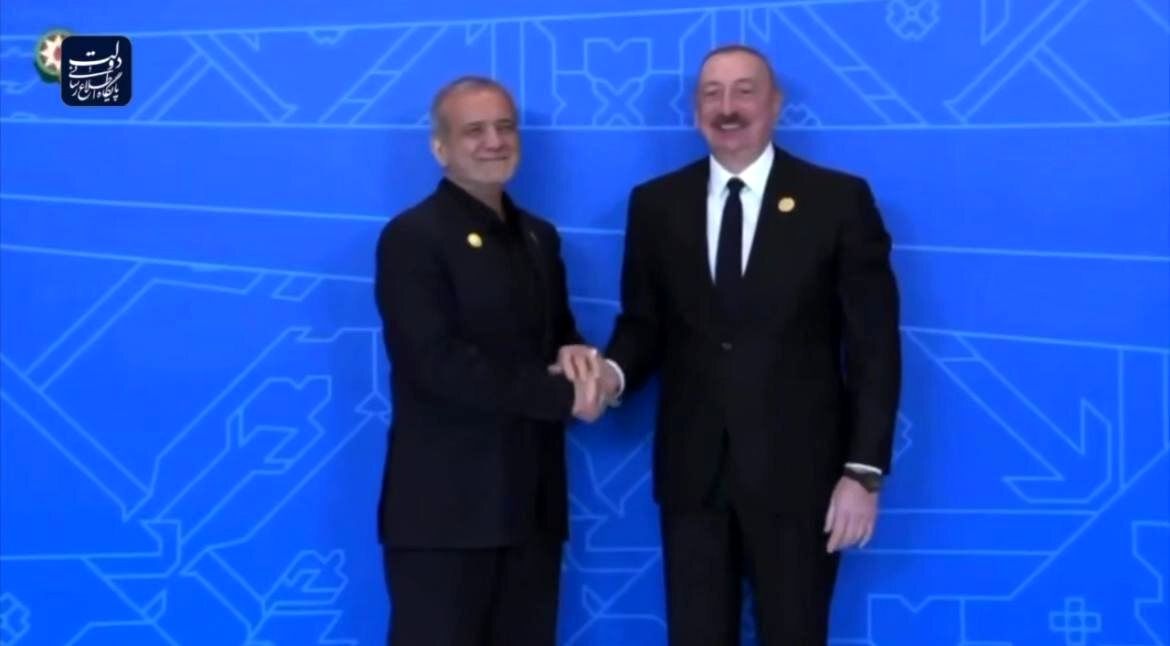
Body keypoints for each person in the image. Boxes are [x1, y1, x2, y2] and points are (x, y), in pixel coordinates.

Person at [560, 44, 902, 644]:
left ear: (775, 104)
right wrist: (610, 375)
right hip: (693, 478)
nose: (727, 107)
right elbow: (644, 325)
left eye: (745, 91)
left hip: (802, 480)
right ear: (696, 110)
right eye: (711, 93)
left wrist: (863, 473)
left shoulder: (838, 202)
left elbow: (874, 347)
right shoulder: (656, 205)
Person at [372, 75, 606, 646]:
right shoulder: (412, 238)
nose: (494, 141)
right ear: (440, 148)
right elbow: (437, 365)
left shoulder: (539, 238)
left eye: (505, 127)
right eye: (474, 130)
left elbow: (560, 337)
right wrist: (565, 395)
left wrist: (582, 363)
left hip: (532, 510)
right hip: (445, 515)